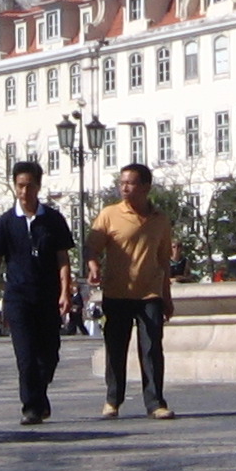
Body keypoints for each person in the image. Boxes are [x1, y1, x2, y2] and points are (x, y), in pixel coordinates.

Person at [84, 162, 178, 420]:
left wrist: (166, 297)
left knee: (151, 349)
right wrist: (93, 266)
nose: (124, 187)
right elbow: (91, 248)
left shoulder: (160, 220)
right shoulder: (109, 214)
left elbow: (163, 261)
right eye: (122, 182)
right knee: (116, 349)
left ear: (146, 187)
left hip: (149, 295)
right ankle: (113, 400)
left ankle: (156, 402)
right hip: (117, 292)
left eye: (130, 183)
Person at [0, 160, 75, 425]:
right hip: (18, 297)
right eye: (19, 186)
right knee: (25, 355)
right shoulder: (5, 222)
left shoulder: (52, 219)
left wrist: (65, 291)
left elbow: (63, 258)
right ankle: (31, 407)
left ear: (38, 186)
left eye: (29, 186)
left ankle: (39, 393)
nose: (24, 192)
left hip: (47, 295)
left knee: (49, 353)